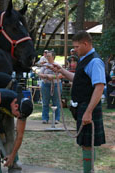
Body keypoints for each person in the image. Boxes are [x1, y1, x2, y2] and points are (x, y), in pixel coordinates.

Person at [50, 31, 106, 173]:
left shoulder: (95, 61)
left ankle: (89, 171)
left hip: (88, 107)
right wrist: (61, 70)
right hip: (82, 106)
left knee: (88, 144)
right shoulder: (85, 59)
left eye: (76, 46)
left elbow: (99, 87)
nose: (74, 49)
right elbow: (77, 78)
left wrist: (88, 112)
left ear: (85, 44)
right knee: (84, 143)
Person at [38, 50, 61, 124]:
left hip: (56, 85)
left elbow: (61, 75)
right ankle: (45, 118)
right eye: (46, 56)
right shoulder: (45, 65)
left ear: (53, 57)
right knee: (45, 102)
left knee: (56, 102)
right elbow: (40, 74)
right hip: (46, 85)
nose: (47, 57)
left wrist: (53, 76)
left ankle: (56, 119)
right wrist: (46, 76)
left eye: (49, 56)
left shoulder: (57, 65)